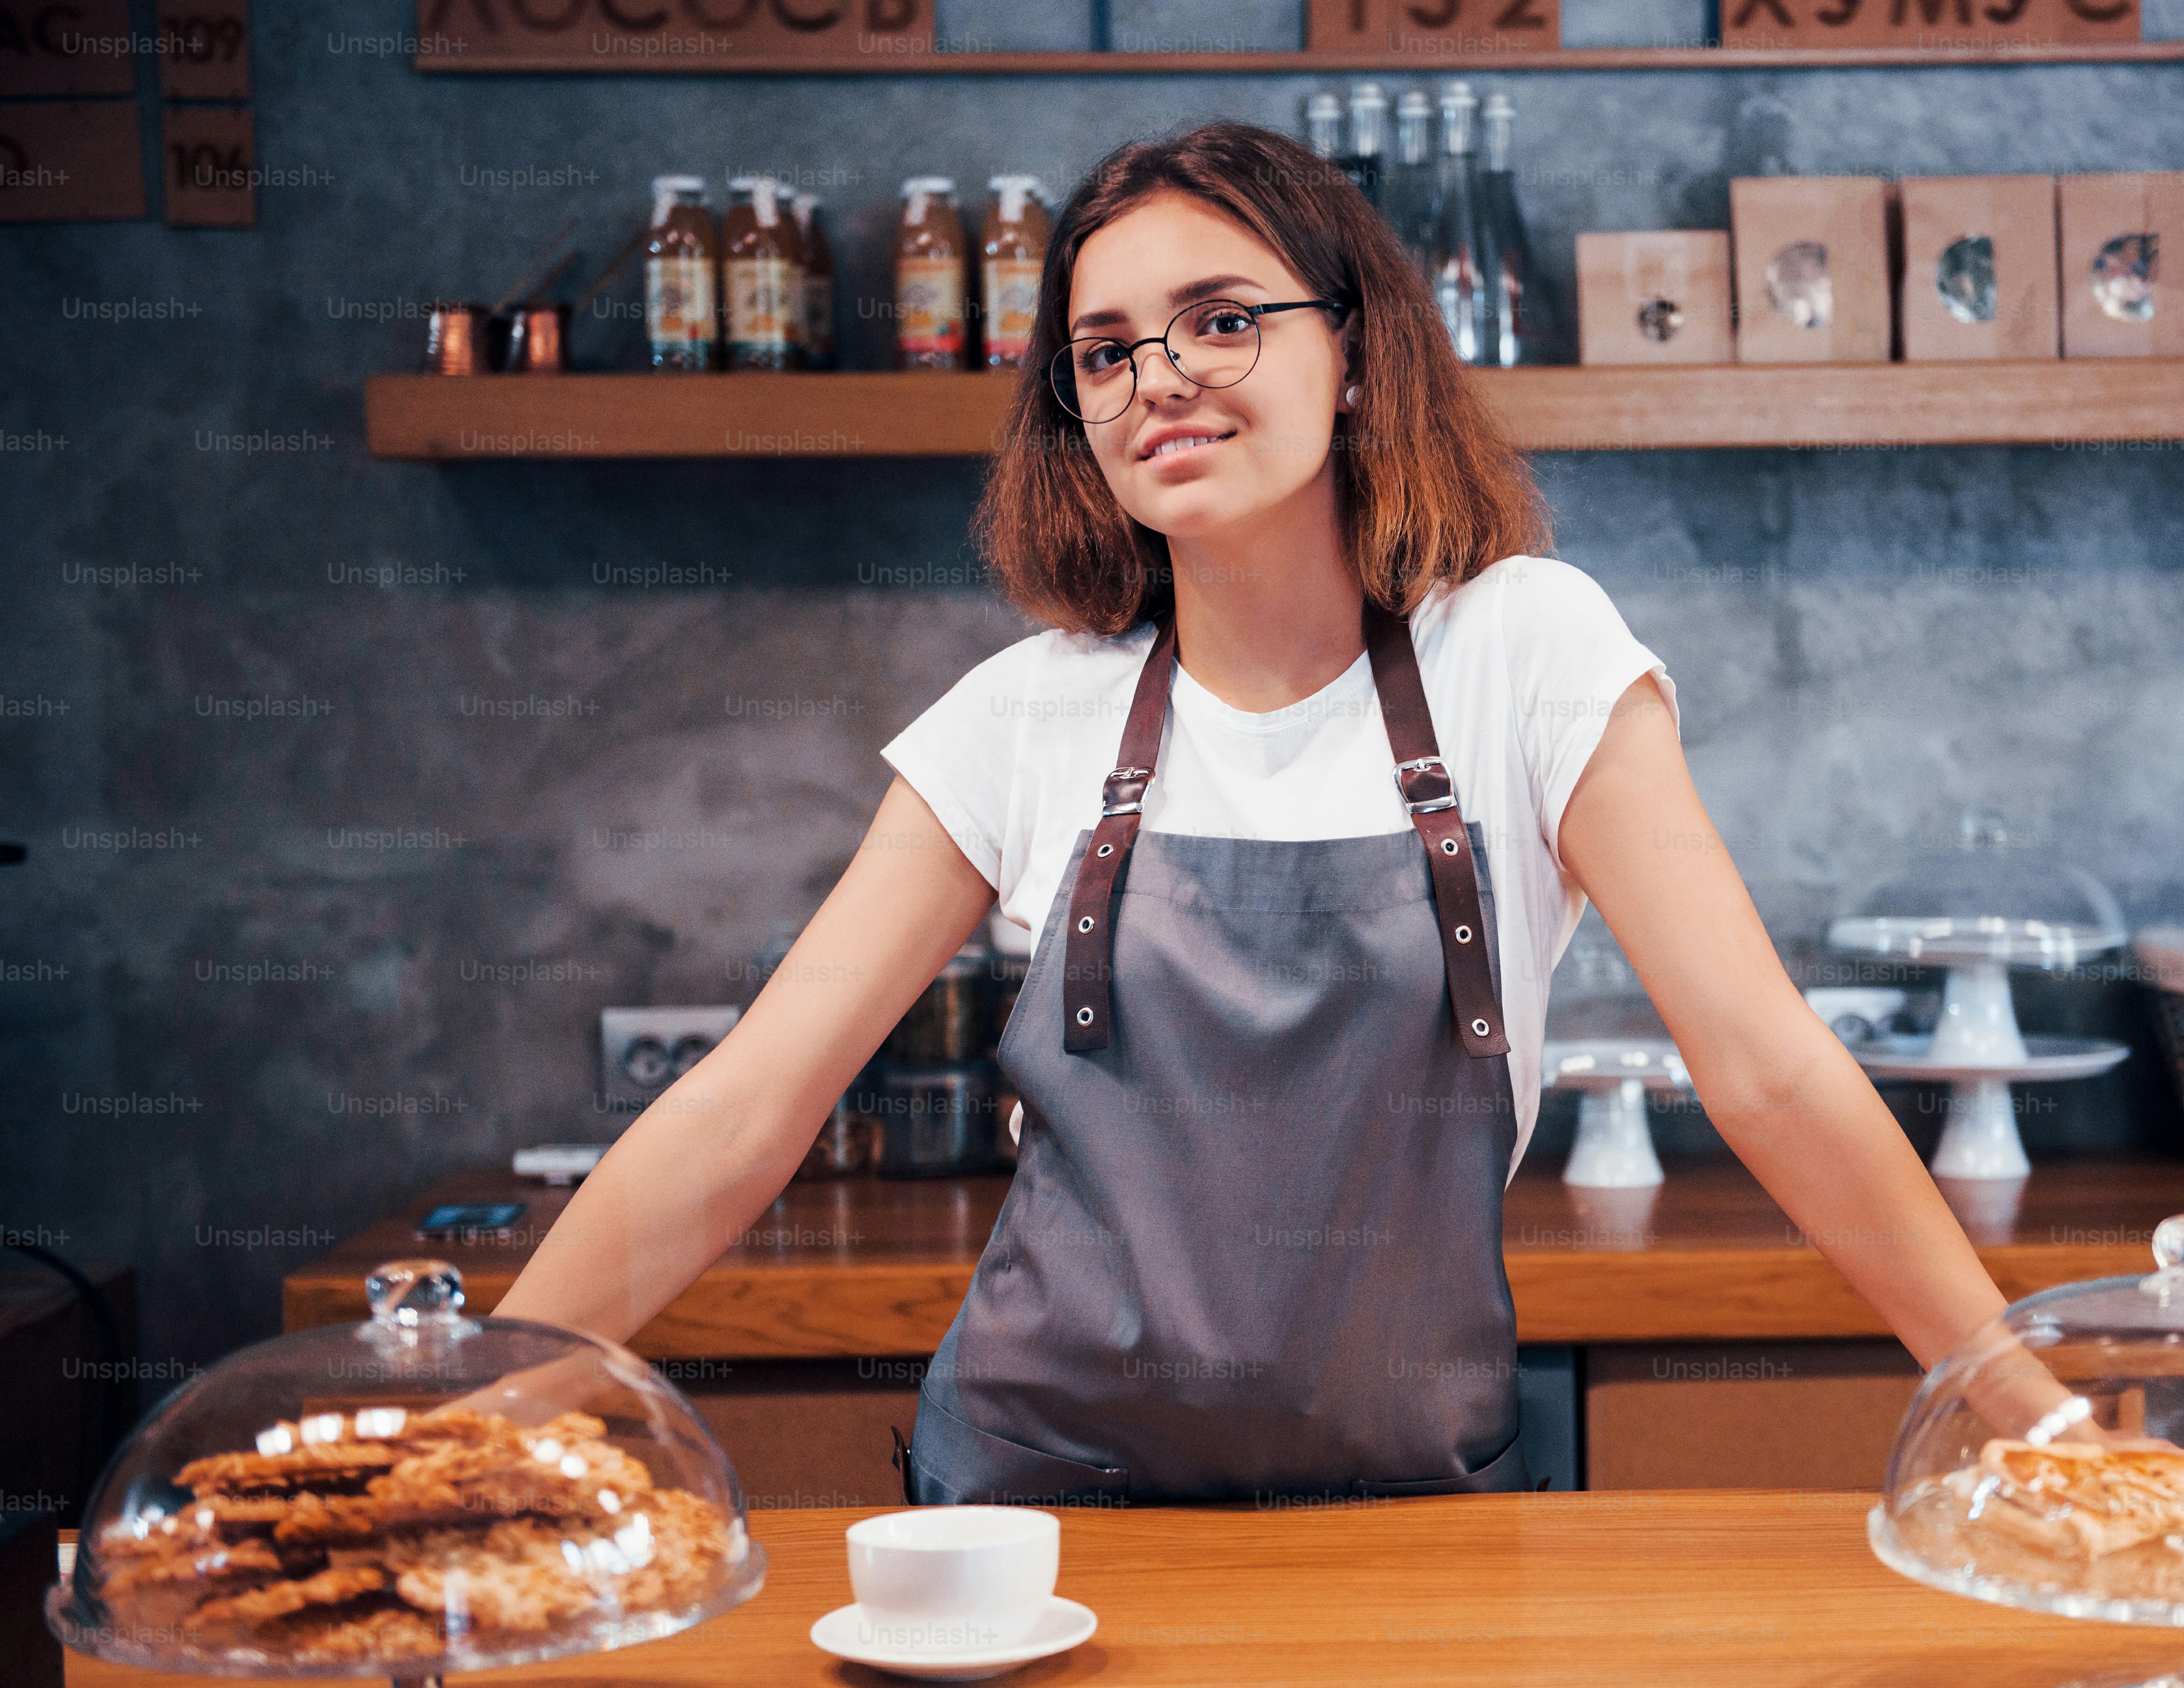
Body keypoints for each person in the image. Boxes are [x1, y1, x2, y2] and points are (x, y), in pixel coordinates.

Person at [493, 121, 2081, 1502]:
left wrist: (2032, 1413)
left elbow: (1770, 1073)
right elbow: (739, 1113)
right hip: (1040, 1516)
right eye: (1104, 351)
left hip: (1408, 1502)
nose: (1157, 380)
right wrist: (485, 1417)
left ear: (1358, 355)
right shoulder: (1025, 713)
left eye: (1219, 321)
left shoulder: (1526, 650)